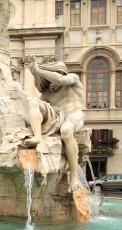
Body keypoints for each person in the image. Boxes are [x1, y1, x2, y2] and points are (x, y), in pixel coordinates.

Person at [25, 55, 84, 192]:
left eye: (51, 75)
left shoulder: (72, 78)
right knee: (32, 102)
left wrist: (37, 70)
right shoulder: (47, 92)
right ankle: (38, 136)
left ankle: (74, 176)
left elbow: (61, 79)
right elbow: (36, 107)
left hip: (73, 114)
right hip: (57, 116)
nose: (50, 81)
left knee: (66, 131)